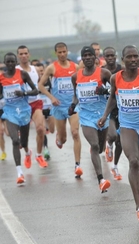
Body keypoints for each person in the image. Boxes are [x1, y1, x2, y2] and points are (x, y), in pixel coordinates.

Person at [98, 45, 139, 222]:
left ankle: (138, 186)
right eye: (130, 57)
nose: (133, 60)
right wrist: (105, 115)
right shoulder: (115, 78)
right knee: (133, 161)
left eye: (136, 57)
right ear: (122, 59)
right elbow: (112, 98)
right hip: (127, 126)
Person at [38, 42, 83, 178]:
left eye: (64, 52)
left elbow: (80, 82)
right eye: (59, 52)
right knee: (63, 139)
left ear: (67, 51)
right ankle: (59, 137)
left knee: (75, 133)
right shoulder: (52, 68)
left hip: (72, 105)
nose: (62, 54)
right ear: (56, 53)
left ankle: (77, 165)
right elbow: (40, 85)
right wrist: (51, 97)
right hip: (58, 107)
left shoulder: (75, 67)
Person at [71, 46, 112, 192]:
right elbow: (76, 94)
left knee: (100, 147)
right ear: (82, 58)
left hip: (102, 114)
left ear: (95, 58)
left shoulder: (104, 73)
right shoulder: (76, 76)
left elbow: (117, 90)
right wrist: (73, 104)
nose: (88, 58)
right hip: (86, 116)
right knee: (94, 145)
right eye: (85, 55)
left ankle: (102, 148)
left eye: (90, 55)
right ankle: (101, 179)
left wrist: (104, 90)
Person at [0, 52, 39, 184]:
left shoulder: (22, 74)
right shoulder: (1, 77)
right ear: (5, 63)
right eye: (8, 62)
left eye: (12, 62)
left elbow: (35, 91)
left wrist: (24, 93)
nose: (10, 64)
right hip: (10, 112)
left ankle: (28, 152)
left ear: (15, 62)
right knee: (15, 141)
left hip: (23, 111)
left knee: (23, 143)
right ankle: (19, 173)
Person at [16, 45, 48, 168]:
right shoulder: (15, 70)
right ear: (18, 56)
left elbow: (40, 84)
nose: (23, 56)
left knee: (41, 129)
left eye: (25, 53)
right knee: (23, 139)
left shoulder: (35, 69)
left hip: (36, 102)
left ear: (29, 54)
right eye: (21, 54)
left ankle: (39, 155)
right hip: (22, 105)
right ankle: (27, 152)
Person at [101, 46, 124, 180]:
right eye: (107, 56)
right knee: (113, 135)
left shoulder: (122, 70)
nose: (110, 58)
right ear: (104, 57)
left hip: (121, 108)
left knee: (120, 141)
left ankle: (115, 166)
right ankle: (108, 144)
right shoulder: (101, 72)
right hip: (108, 109)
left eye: (112, 55)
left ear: (116, 56)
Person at [35, 62, 54, 160]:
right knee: (41, 129)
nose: (40, 73)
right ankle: (45, 148)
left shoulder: (49, 80)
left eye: (42, 71)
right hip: (39, 108)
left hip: (50, 107)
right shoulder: (32, 81)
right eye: (38, 72)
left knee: (52, 130)